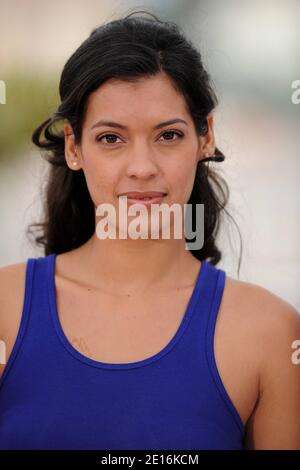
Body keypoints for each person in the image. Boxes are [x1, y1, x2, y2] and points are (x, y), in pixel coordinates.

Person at [0, 11, 299, 451]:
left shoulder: (271, 334)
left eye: (168, 136)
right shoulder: (5, 310)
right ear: (73, 147)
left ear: (206, 138)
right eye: (110, 139)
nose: (142, 168)